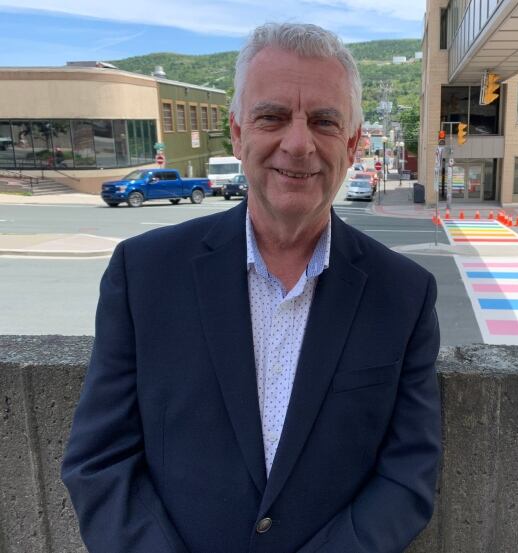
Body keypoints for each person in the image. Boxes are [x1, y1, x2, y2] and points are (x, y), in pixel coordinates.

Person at [61, 23, 441, 553]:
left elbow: (407, 476)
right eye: (273, 117)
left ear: (353, 144)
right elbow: (99, 462)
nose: (298, 143)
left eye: (325, 122)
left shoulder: (404, 294)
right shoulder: (144, 272)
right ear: (238, 134)